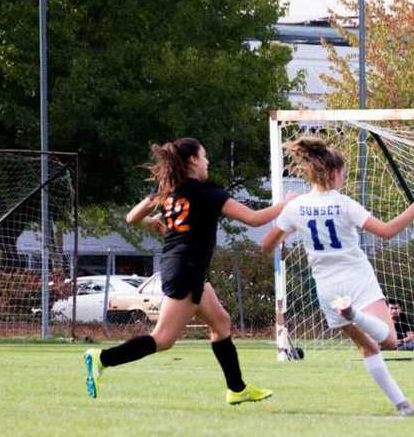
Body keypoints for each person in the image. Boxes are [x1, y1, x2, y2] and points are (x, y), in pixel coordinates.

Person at [82, 138, 292, 405]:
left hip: (181, 266)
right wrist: (287, 203)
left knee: (221, 322)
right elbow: (254, 219)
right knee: (163, 339)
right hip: (186, 269)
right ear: (193, 160)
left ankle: (237, 389)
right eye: (204, 157)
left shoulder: (168, 190)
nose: (207, 162)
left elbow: (131, 217)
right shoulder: (208, 193)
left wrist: (152, 223)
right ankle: (101, 359)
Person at [260, 137, 414, 416]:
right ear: (333, 173)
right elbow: (387, 231)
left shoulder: (296, 207)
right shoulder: (344, 204)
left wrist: (284, 241)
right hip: (356, 276)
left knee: (368, 348)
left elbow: (267, 244)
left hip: (327, 287)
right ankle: (353, 313)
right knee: (389, 341)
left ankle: (403, 406)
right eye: (343, 173)